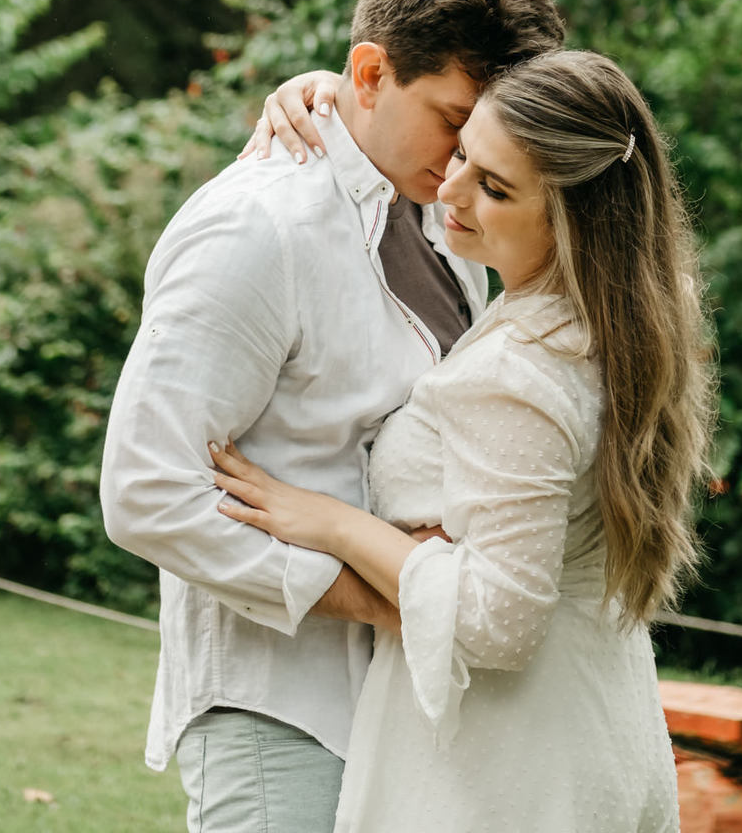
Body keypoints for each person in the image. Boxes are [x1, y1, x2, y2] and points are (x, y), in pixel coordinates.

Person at [100, 0, 565, 833]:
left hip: (404, 714)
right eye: (454, 120)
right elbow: (145, 490)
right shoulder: (257, 227)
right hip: (278, 712)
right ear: (368, 72)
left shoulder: (445, 221)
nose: (468, 156)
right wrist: (394, 599)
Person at [211, 48, 713, 833]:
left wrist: (335, 524)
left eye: (495, 188)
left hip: (505, 765)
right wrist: (330, 92)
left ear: (575, 221)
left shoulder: (520, 373)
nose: (450, 189)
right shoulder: (624, 324)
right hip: (598, 723)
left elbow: (496, 621)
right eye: (462, 152)